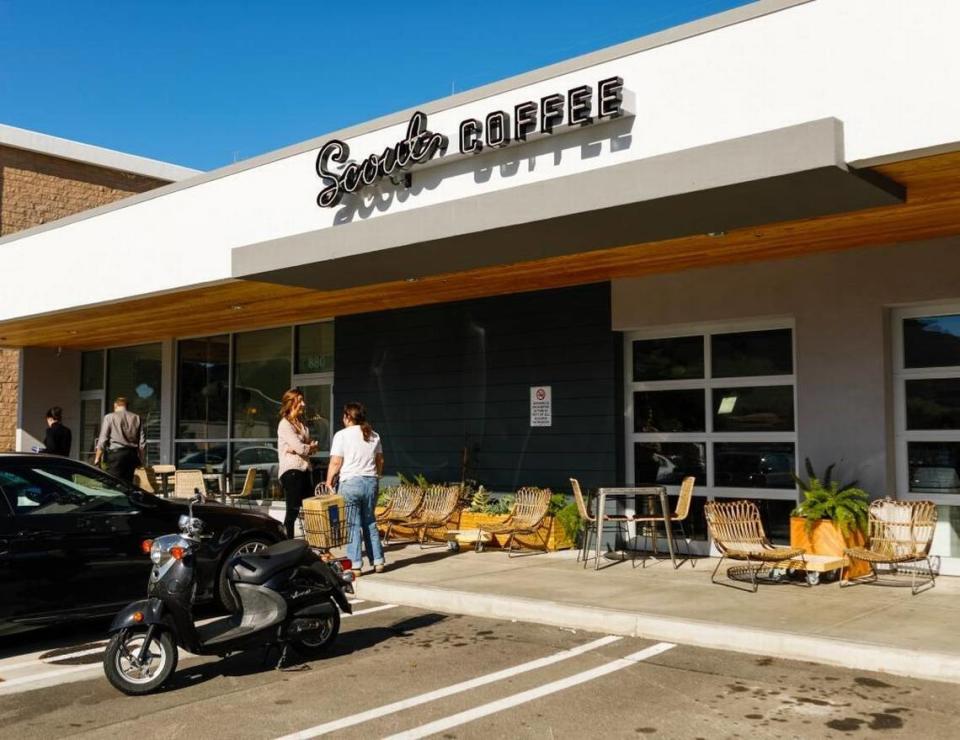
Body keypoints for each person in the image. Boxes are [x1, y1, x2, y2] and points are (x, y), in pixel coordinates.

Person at [326, 401, 385, 576]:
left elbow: (336, 462)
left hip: (350, 482)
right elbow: (380, 460)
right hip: (370, 482)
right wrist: (377, 475)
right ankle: (378, 561)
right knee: (370, 522)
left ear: (347, 417)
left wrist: (329, 481)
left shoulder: (342, 435)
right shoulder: (374, 435)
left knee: (352, 525)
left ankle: (356, 564)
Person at [278, 388, 318, 538]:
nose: (303, 404)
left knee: (310, 510)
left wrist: (305, 448)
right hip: (292, 471)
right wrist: (307, 448)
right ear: (291, 402)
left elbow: (303, 447)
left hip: (305, 469)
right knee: (293, 510)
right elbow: (301, 448)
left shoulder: (301, 423)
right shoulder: (284, 424)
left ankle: (314, 542)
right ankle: (286, 542)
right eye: (300, 400)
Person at [94, 397, 146, 483]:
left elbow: (103, 439)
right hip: (132, 455)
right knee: (128, 484)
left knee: (113, 483)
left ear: (115, 405)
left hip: (116, 455)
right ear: (127, 406)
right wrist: (141, 459)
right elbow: (142, 442)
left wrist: (97, 458)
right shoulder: (137, 418)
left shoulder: (109, 417)